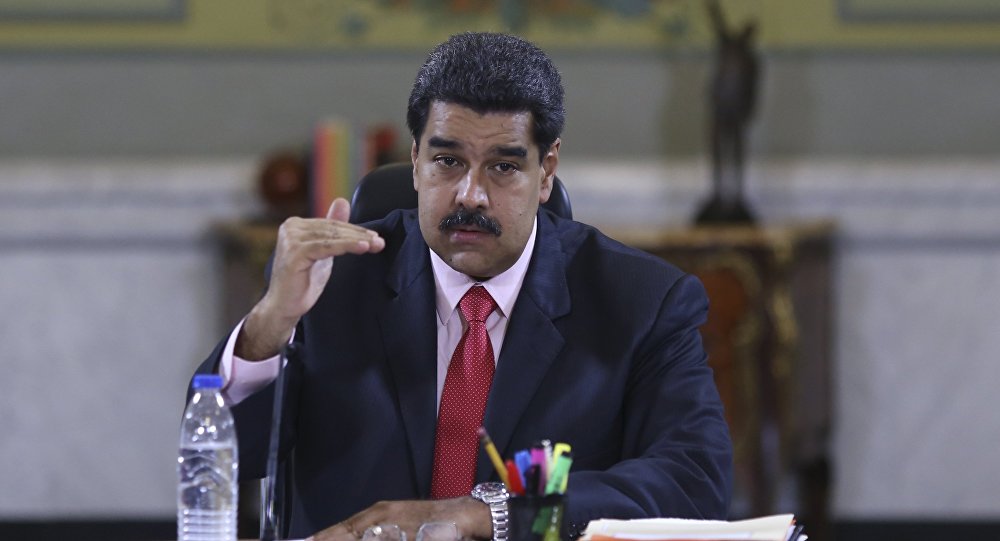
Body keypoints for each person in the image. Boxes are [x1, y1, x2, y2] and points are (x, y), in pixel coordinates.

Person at [194, 32, 732, 541]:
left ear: (546, 172)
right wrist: (271, 323)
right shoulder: (333, 279)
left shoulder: (641, 301)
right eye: (448, 161)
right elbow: (215, 458)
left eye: (503, 167)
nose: (470, 195)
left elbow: (695, 481)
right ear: (414, 161)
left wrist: (481, 513)